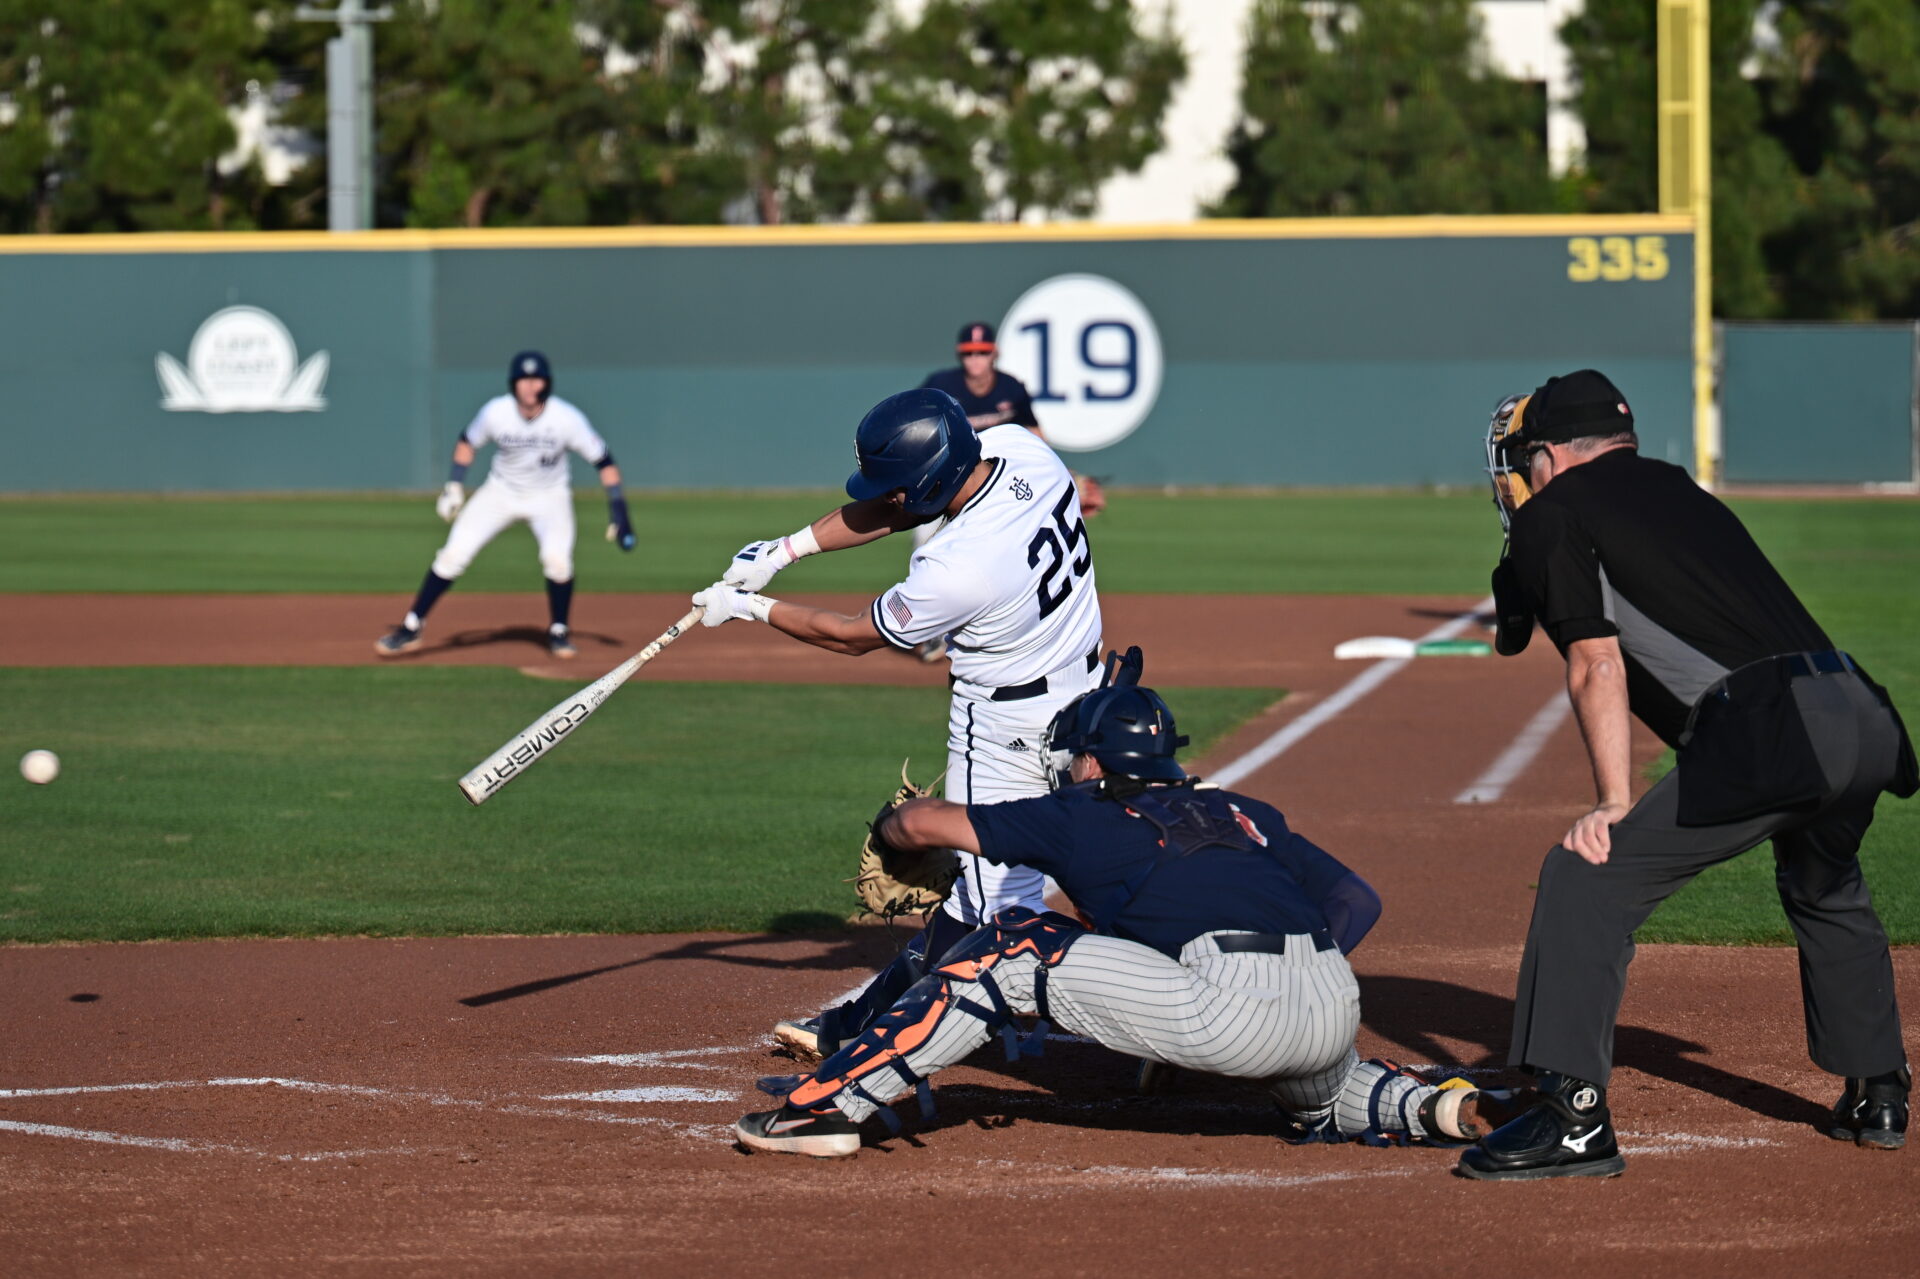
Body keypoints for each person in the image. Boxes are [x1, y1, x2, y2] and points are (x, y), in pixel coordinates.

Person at [732, 655, 1519, 1158]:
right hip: (1330, 1002)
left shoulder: (1082, 811)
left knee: (1012, 945)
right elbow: (1355, 897)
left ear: (1092, 759)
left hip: (1233, 1008)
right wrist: (1283, 983)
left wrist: (886, 825)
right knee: (1319, 1091)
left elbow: (922, 824)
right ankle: (1445, 1109)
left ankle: (826, 1108)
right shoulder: (1240, 809)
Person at [1462, 369, 1917, 1181]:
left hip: (1773, 726)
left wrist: (1611, 802)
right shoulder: (1680, 492)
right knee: (1824, 881)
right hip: (1858, 706)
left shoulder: (1557, 510)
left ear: (1556, 455)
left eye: (1527, 456)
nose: (1521, 473)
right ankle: (1880, 1087)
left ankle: (1572, 1119)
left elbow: (1597, 662)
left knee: (1585, 874)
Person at [693, 386, 1103, 1061]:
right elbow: (898, 502)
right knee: (1109, 859)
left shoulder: (953, 567)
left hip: (1007, 729)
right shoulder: (1021, 449)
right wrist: (783, 549)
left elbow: (853, 635)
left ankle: (861, 1026)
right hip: (1090, 706)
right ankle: (1179, 1009)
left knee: (986, 907)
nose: (891, 499)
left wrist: (752, 608)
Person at [374, 351, 634, 660]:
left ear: (547, 383)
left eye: (536, 379)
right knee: (453, 554)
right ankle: (411, 626)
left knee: (558, 561)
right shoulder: (497, 412)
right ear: (513, 384)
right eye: (523, 380)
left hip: (549, 497)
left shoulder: (566, 418)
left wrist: (618, 508)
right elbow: (467, 442)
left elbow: (604, 461)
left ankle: (559, 631)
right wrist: (454, 486)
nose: (529, 387)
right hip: (500, 492)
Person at [906, 322, 1106, 663]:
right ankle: (931, 629)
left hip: (1001, 485)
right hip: (949, 483)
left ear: (994, 354)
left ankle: (1015, 622)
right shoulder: (942, 386)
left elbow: (1035, 433)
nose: (976, 360)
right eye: (969, 353)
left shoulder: (1011, 388)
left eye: (982, 353)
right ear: (961, 355)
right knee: (926, 545)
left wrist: (1063, 475)